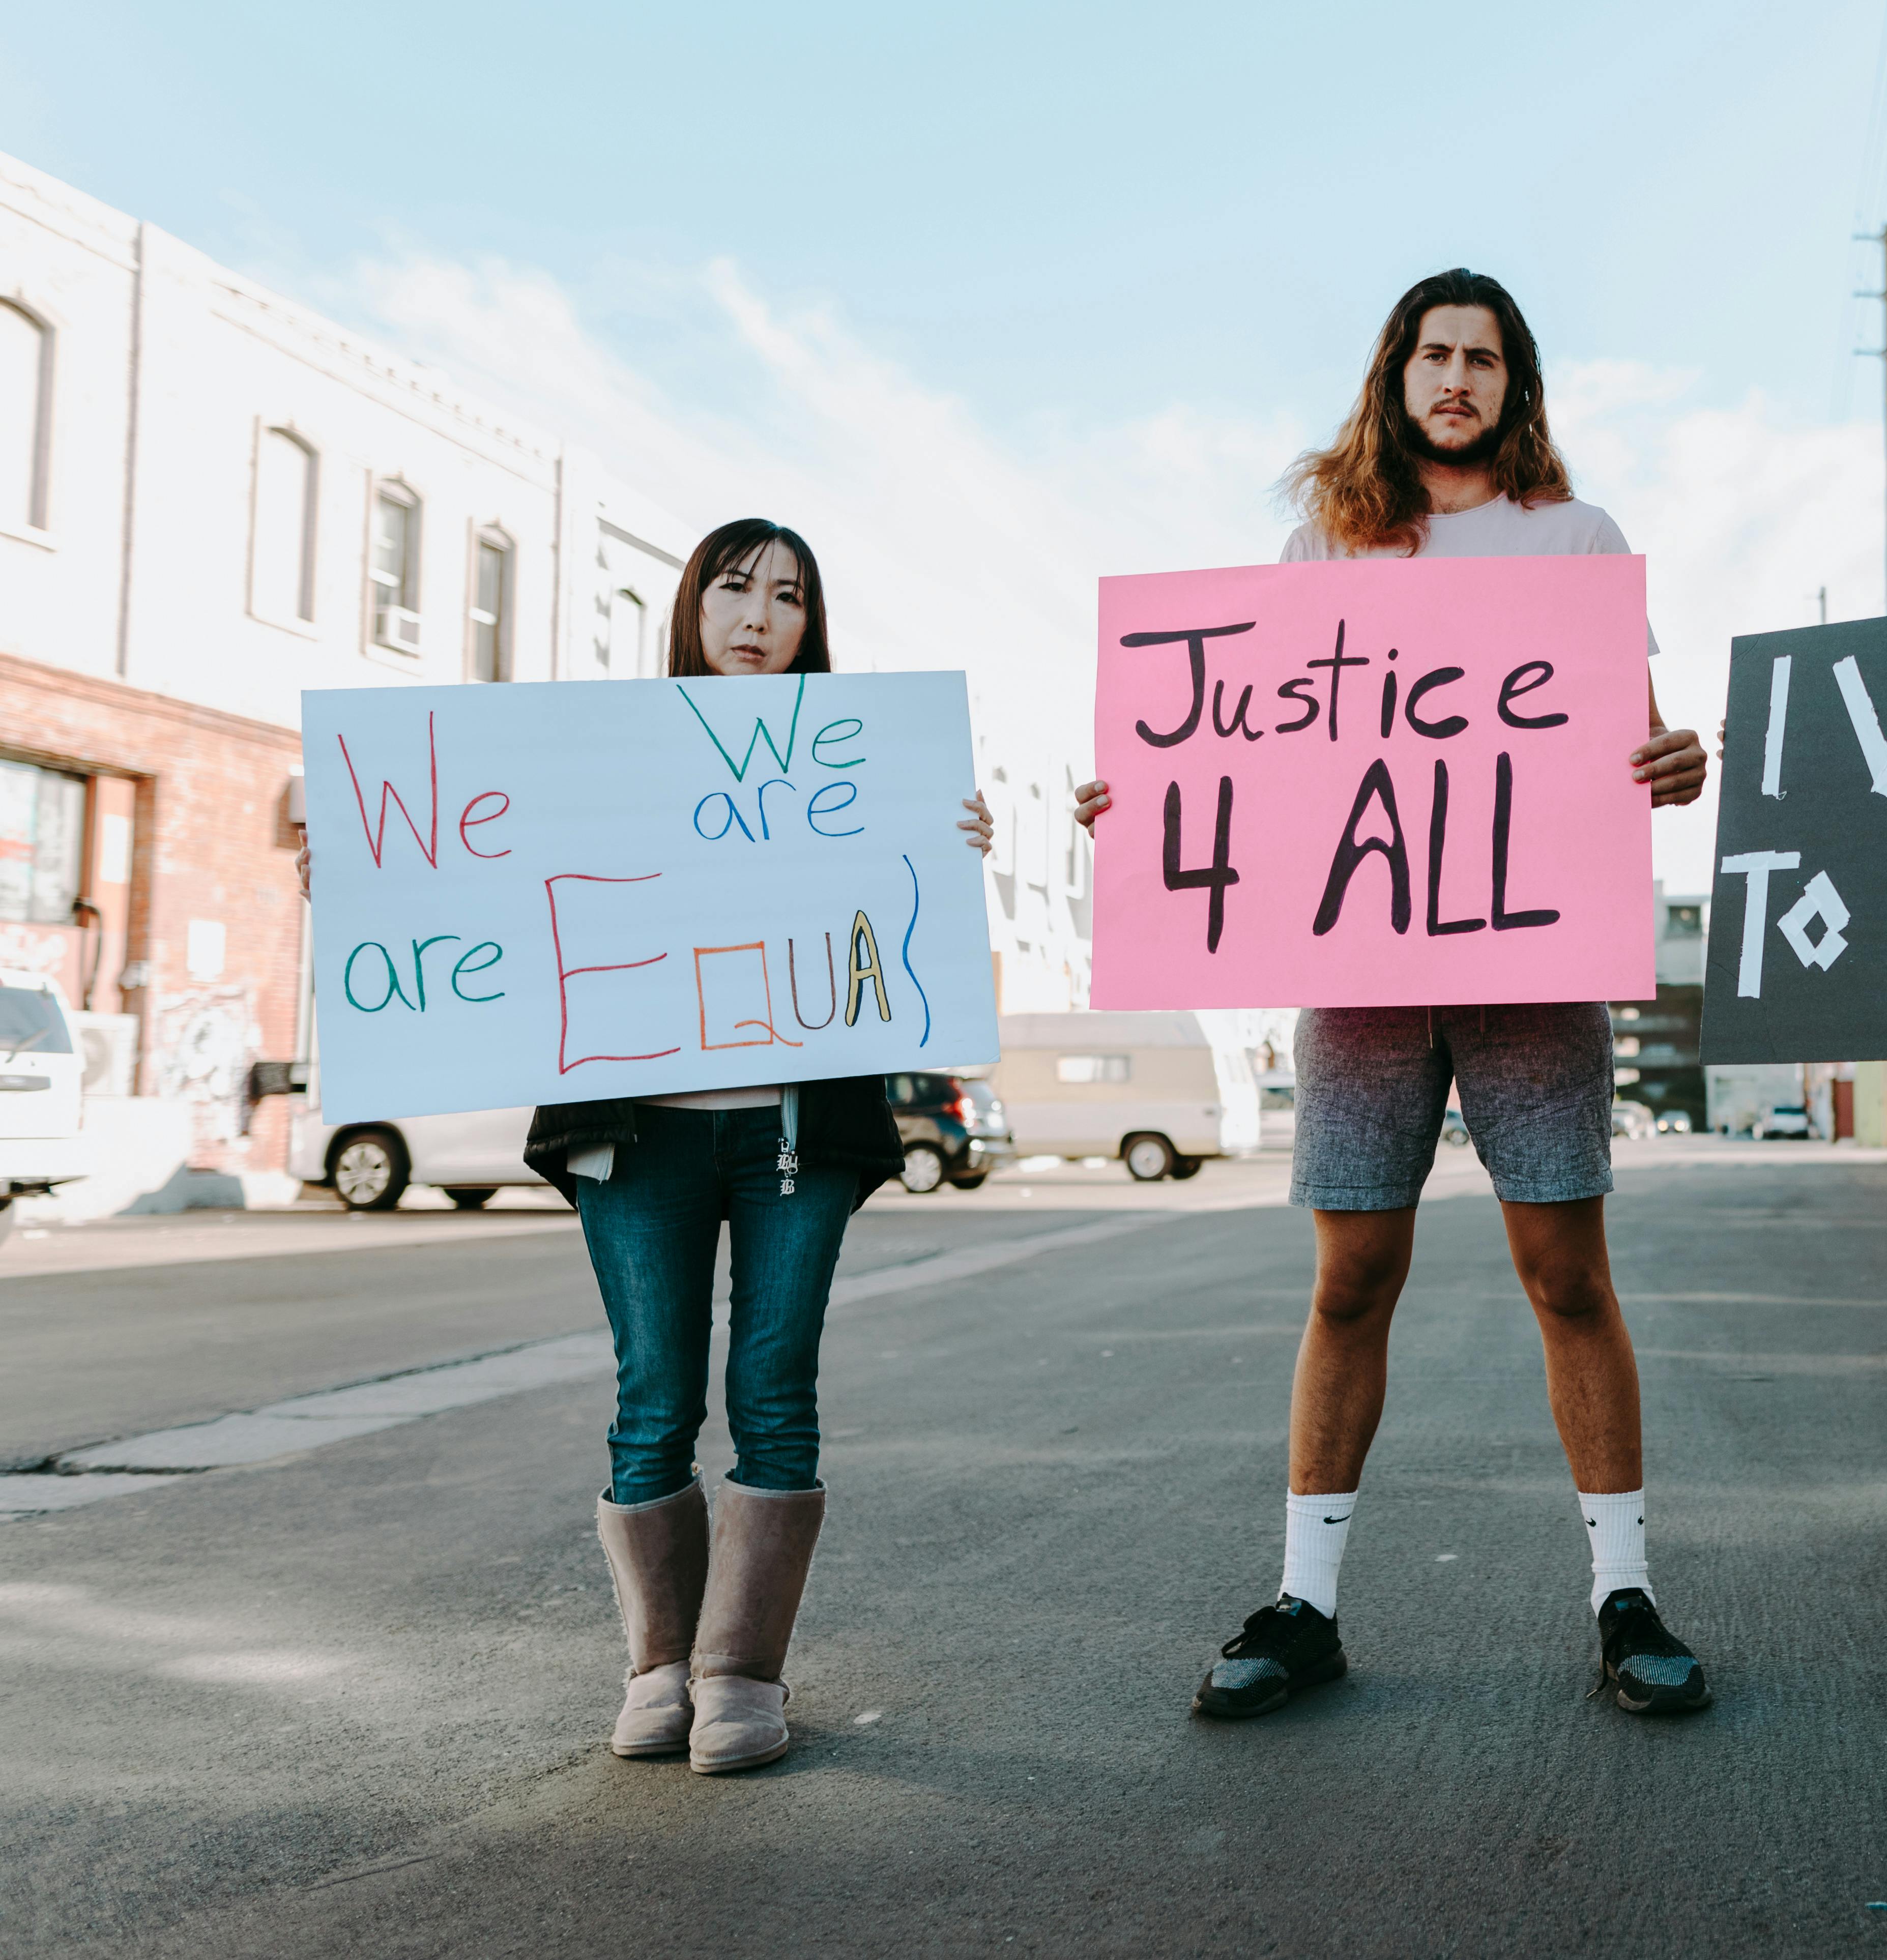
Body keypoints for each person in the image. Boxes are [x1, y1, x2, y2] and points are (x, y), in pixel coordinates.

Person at [1073, 269, 1714, 1719]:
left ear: (1515, 383)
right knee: (1350, 1277)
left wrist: (1674, 764)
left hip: (1531, 967)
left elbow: (1616, 747)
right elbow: (1250, 748)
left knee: (1566, 1273)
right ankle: (1305, 1602)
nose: (1458, 379)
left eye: (1484, 358)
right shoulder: (1325, 545)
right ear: (1396, 373)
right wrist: (1148, 793)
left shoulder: (1578, 537)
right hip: (1361, 976)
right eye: (1435, 354)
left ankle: (1624, 1590)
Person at [520, 520, 994, 1774]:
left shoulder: (864, 765)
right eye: (734, 588)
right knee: (652, 1400)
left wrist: (959, 858)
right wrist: (359, 880)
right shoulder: (604, 756)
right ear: (693, 604)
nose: (758, 614)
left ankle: (740, 1672)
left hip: (793, 1136)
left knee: (776, 1395)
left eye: (787, 596)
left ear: (809, 626)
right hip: (638, 1138)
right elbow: (500, 878)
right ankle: (658, 1668)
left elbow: (901, 927)